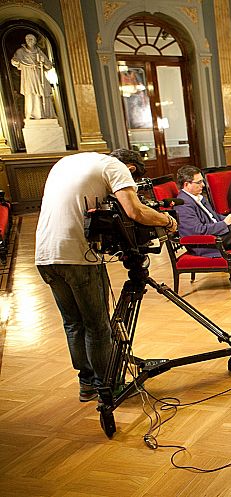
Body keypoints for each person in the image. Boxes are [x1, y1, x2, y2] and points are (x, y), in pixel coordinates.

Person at [35, 149, 178, 403]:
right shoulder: (115, 167)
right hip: (78, 257)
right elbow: (136, 211)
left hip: (45, 255)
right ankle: (108, 388)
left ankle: (87, 384)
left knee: (73, 324)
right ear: (131, 169)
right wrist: (166, 220)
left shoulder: (69, 161)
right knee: (97, 326)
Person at [11, 33, 55, 120]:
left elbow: (49, 66)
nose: (29, 41)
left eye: (31, 39)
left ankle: (46, 114)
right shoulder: (21, 52)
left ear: (35, 41)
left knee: (43, 93)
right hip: (29, 77)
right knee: (31, 94)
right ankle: (33, 114)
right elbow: (14, 61)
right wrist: (16, 61)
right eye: (27, 39)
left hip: (39, 76)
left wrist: (43, 62)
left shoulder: (39, 52)